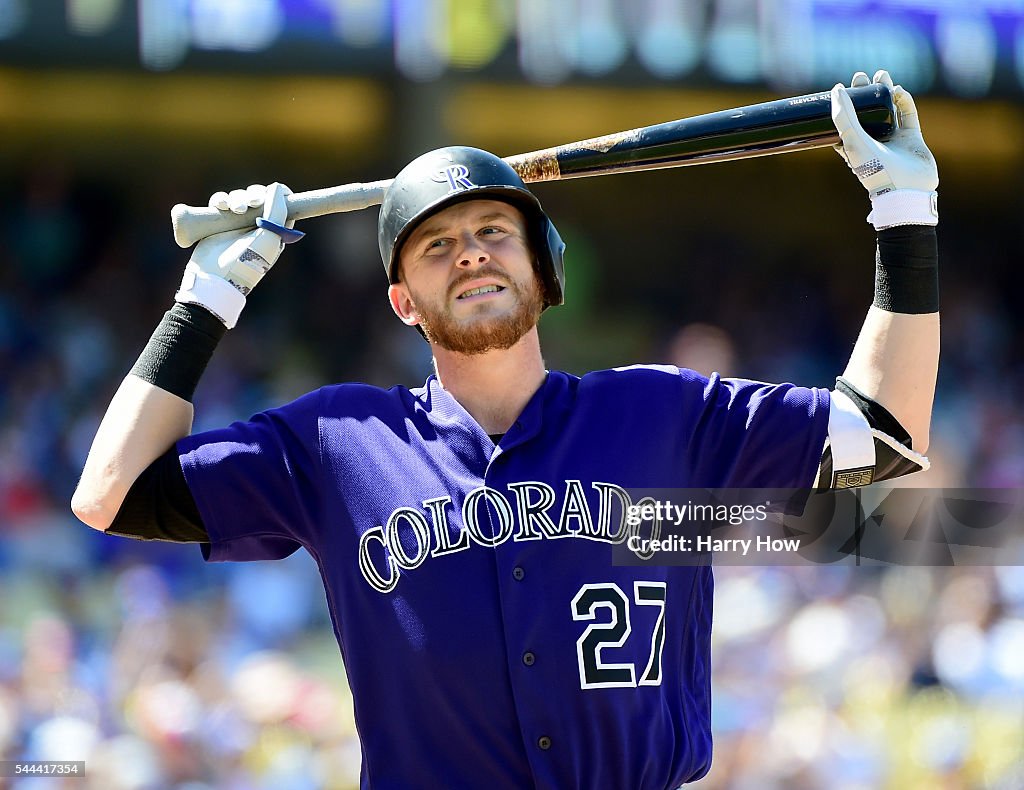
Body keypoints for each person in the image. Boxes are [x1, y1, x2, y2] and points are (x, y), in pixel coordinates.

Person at [72, 70, 939, 788]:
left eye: (494, 231)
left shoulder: (663, 411)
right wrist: (206, 300)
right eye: (437, 245)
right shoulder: (337, 442)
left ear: (545, 271)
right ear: (403, 302)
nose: (473, 252)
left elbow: (885, 432)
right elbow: (110, 493)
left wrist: (902, 214)